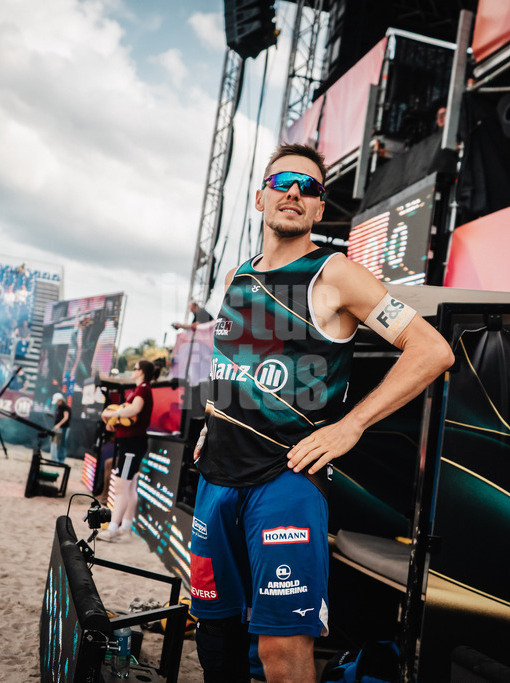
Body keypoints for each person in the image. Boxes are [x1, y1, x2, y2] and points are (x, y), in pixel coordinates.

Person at [188, 143, 455, 683]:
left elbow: (433, 351)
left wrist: (351, 423)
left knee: (280, 654)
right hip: (216, 480)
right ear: (260, 195)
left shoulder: (334, 275)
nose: (294, 193)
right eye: (283, 181)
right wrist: (215, 420)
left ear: (318, 209)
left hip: (284, 481)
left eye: (308, 188)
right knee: (214, 641)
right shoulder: (235, 277)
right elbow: (239, 362)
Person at [98, 359, 156, 542]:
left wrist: (112, 415)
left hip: (132, 444)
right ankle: (125, 528)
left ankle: (113, 529)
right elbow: (131, 414)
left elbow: (134, 409)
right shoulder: (142, 389)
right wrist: (115, 423)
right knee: (130, 488)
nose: (133, 370)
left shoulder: (142, 389)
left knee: (122, 487)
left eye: (135, 367)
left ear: (141, 372)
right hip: (132, 442)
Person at [50, 393, 71, 464]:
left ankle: (61, 460)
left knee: (62, 444)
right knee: (54, 443)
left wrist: (58, 424)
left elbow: (66, 417)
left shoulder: (65, 407)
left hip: (63, 428)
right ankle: (54, 460)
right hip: (58, 428)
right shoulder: (58, 407)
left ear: (60, 400)